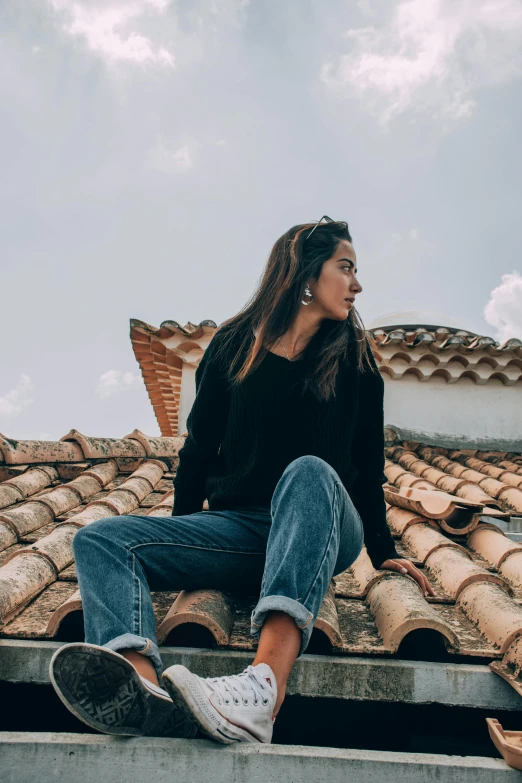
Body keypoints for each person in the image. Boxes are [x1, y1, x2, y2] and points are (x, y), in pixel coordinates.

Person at [49, 217, 434, 744]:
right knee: (100, 539)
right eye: (346, 268)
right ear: (304, 272)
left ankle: (262, 691)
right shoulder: (234, 345)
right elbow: (199, 451)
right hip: (243, 531)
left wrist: (382, 548)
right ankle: (139, 687)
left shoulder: (355, 359)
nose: (358, 285)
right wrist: (183, 537)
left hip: (321, 527)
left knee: (309, 470)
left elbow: (367, 467)